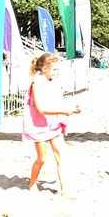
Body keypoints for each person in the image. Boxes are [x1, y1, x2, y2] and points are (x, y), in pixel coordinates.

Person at [23, 53, 81, 196]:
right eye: (54, 69)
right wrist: (65, 111)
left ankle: (65, 190)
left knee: (61, 155)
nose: (57, 72)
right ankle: (32, 183)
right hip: (39, 125)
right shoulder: (37, 82)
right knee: (42, 159)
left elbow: (57, 101)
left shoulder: (53, 81)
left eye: (57, 69)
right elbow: (41, 108)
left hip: (53, 123)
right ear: (44, 68)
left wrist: (72, 107)